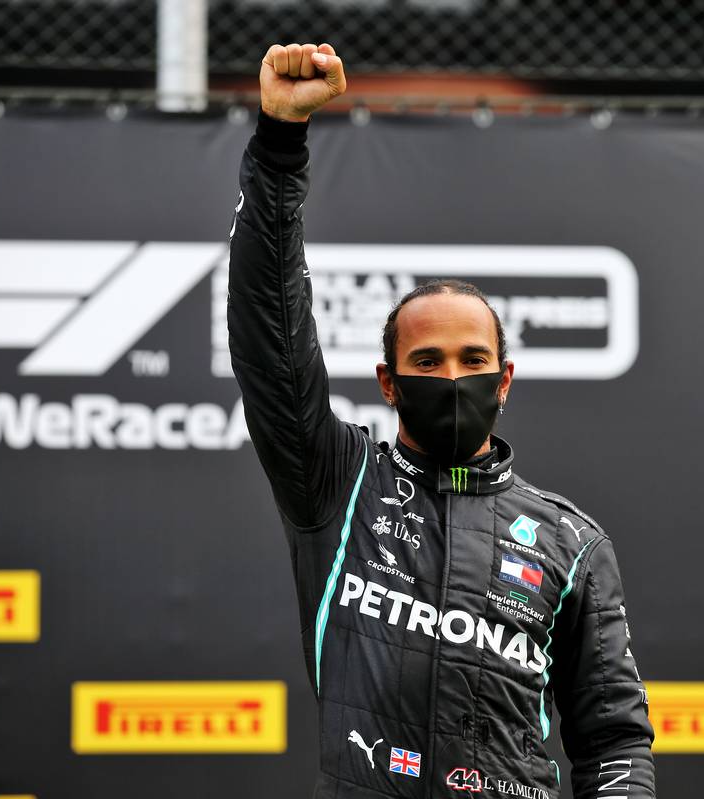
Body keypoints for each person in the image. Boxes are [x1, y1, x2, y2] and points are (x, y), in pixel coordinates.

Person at [228, 41, 655, 799]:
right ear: (389, 383)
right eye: (427, 363)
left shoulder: (573, 543)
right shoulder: (336, 483)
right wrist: (280, 145)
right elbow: (271, 335)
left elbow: (615, 739)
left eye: (471, 358)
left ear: (506, 378)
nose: (453, 377)